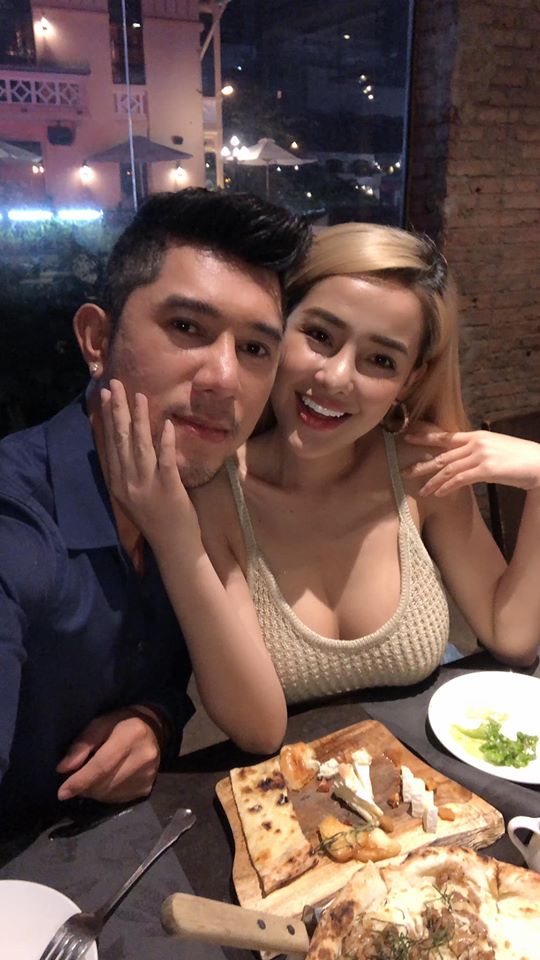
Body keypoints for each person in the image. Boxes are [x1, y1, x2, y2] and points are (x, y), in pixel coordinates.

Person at [104, 221, 540, 716]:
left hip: (425, 759)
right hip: (296, 764)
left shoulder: (424, 472)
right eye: (319, 335)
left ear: (409, 380)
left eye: (380, 360)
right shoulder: (216, 492)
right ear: (276, 329)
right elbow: (257, 727)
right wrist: (177, 542)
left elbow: (512, 637)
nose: (335, 377)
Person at [0, 188, 311, 823]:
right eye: (187, 327)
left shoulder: (195, 494)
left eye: (255, 349)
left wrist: (155, 717)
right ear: (97, 340)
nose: (224, 378)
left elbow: (177, 681)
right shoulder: (19, 522)